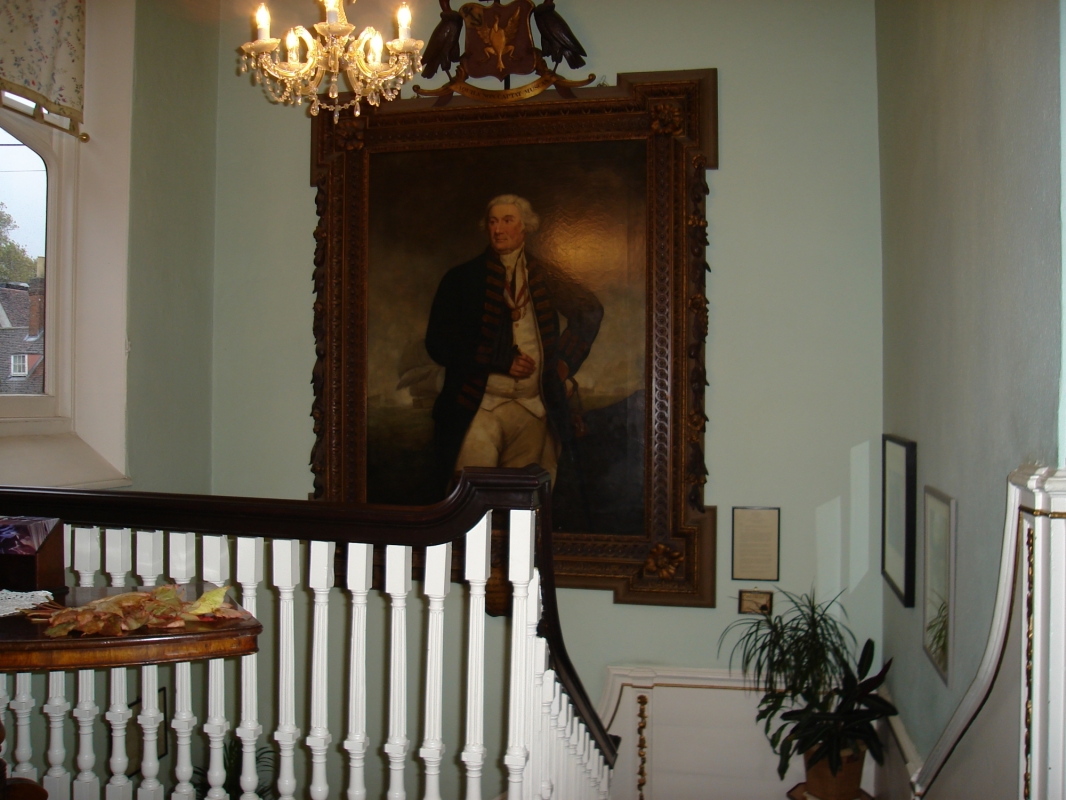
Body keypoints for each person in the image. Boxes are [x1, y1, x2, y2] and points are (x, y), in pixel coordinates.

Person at [425, 194, 603, 495]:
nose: (498, 229)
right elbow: (438, 343)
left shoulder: (545, 274)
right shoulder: (460, 279)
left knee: (522, 502)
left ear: (525, 228)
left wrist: (561, 364)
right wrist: (499, 359)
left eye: (507, 221)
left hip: (532, 409)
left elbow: (589, 310)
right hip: (480, 408)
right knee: (469, 498)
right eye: (493, 222)